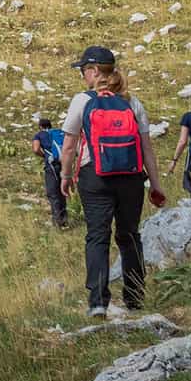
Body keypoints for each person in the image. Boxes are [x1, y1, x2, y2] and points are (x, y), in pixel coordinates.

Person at [59, 46, 167, 318]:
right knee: (129, 236)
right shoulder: (132, 102)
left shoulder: (82, 101)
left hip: (94, 176)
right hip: (131, 178)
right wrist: (155, 185)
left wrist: (65, 175)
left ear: (94, 71)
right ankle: (134, 299)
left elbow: (69, 145)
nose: (83, 76)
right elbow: (146, 149)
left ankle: (98, 302)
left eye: (84, 71)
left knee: (97, 235)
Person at [33, 116, 70, 227]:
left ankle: (57, 221)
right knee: (62, 192)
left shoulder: (39, 135)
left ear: (40, 126)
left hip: (51, 166)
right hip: (63, 164)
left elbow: (35, 149)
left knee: (53, 193)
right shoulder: (58, 133)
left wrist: (44, 155)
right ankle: (64, 219)